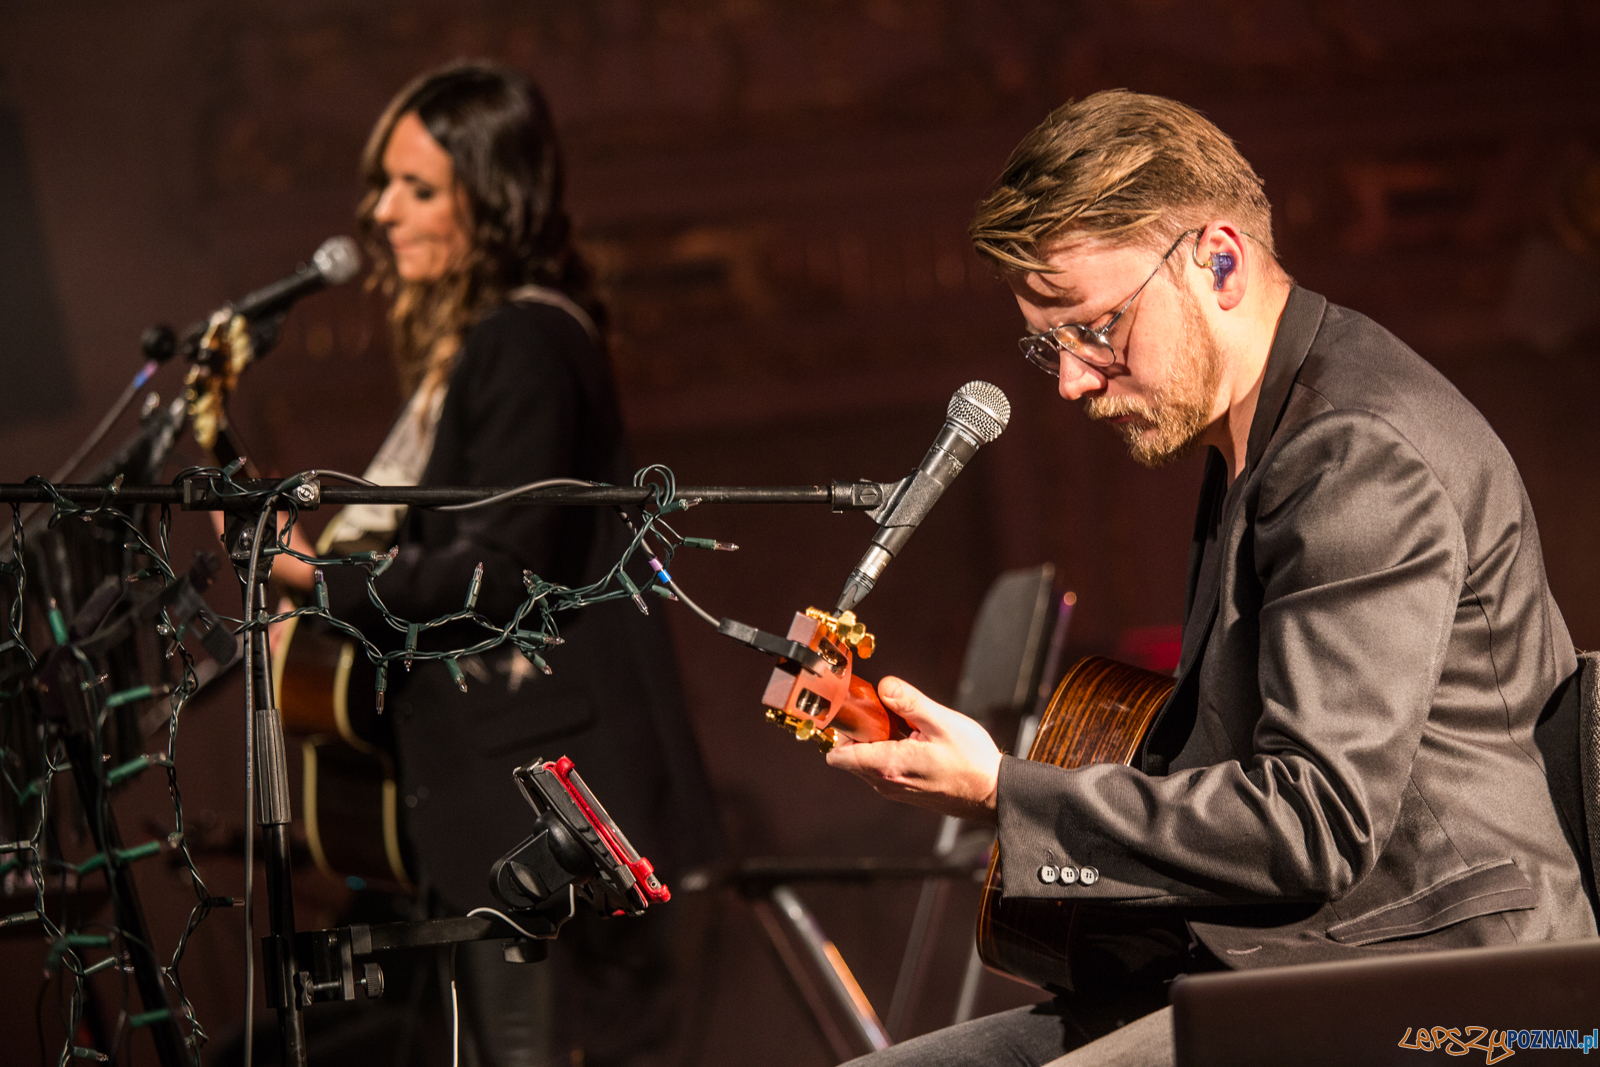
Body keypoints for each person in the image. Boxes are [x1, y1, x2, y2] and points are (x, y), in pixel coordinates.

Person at [826, 90, 1597, 1066]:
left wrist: (1005, 794)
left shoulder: (1354, 448)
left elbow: (1317, 817)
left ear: (1218, 259)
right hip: (1305, 962)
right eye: (1046, 341)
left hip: (1457, 993)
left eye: (1094, 326)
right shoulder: (1261, 433)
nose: (1067, 379)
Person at [273, 61, 722, 1066]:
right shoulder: (489, 343)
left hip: (556, 818)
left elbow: (502, 573)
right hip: (514, 818)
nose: (380, 211)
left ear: (496, 197)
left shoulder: (522, 336)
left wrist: (316, 578)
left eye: (417, 188)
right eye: (383, 183)